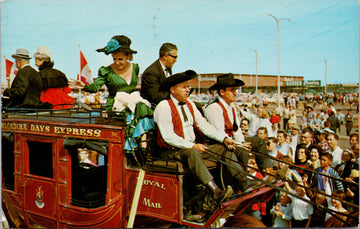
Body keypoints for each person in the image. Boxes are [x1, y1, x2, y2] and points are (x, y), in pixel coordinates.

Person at [154, 70, 241, 201]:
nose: (187, 90)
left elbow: (204, 125)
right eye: (184, 87)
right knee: (192, 153)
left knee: (224, 148)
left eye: (188, 86)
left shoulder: (190, 104)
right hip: (170, 151)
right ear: (172, 89)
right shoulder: (163, 106)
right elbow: (168, 136)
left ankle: (244, 182)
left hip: (191, 148)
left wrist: (224, 138)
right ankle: (215, 190)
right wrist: (192, 145)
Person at [205, 73, 264, 192]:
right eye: (232, 90)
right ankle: (242, 183)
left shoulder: (231, 107)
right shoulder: (214, 108)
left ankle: (268, 171)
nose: (236, 93)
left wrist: (242, 141)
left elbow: (236, 130)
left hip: (233, 141)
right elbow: (220, 134)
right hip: (220, 144)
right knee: (242, 151)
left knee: (258, 141)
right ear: (222, 92)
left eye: (235, 90)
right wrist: (241, 145)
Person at [69, 35, 140, 111]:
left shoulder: (135, 68)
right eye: (114, 59)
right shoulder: (106, 71)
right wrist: (84, 86)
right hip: (115, 107)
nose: (117, 62)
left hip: (133, 104)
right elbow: (95, 87)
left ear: (128, 56)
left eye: (120, 59)